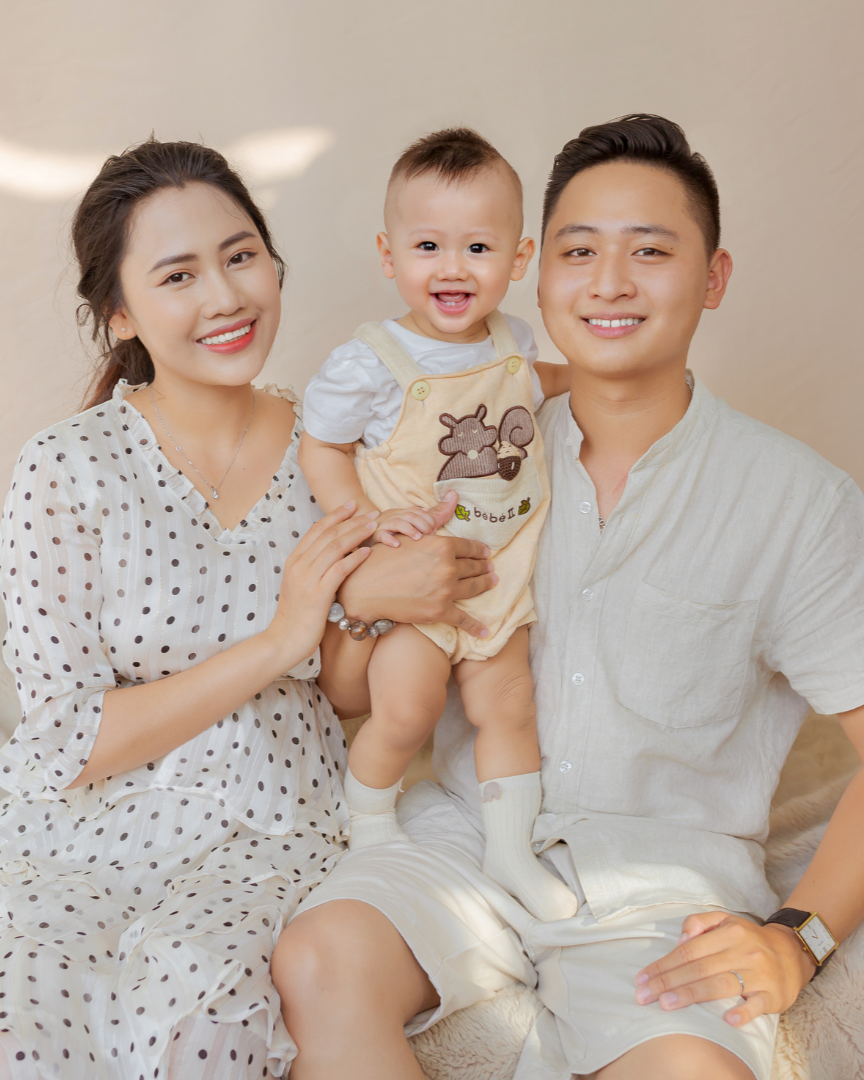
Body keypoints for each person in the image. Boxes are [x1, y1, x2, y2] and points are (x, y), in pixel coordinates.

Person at [275, 115, 864, 1080]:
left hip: (664, 894)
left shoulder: (799, 501)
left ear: (714, 278)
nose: (609, 283)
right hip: (464, 840)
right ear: (537, 273)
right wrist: (368, 594)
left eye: (650, 252)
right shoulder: (463, 439)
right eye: (579, 251)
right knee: (317, 959)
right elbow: (344, 694)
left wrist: (801, 937)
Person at [0, 138, 495, 1079]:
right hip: (81, 833)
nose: (225, 297)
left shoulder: (338, 449)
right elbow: (67, 741)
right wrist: (280, 639)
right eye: (178, 275)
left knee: (203, 1025)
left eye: (240, 257)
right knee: (27, 1028)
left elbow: (342, 696)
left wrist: (362, 606)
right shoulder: (64, 469)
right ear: (119, 314)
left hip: (275, 825)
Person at [298, 128, 576, 922]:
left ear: (518, 259)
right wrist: (365, 519)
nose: (453, 268)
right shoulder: (371, 362)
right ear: (389, 257)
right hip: (417, 583)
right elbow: (320, 445)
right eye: (428, 246)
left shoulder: (515, 343)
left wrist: (596, 377)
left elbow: (539, 383)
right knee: (408, 709)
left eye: (478, 247)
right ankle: (369, 821)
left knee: (509, 708)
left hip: (497, 571)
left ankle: (511, 851)